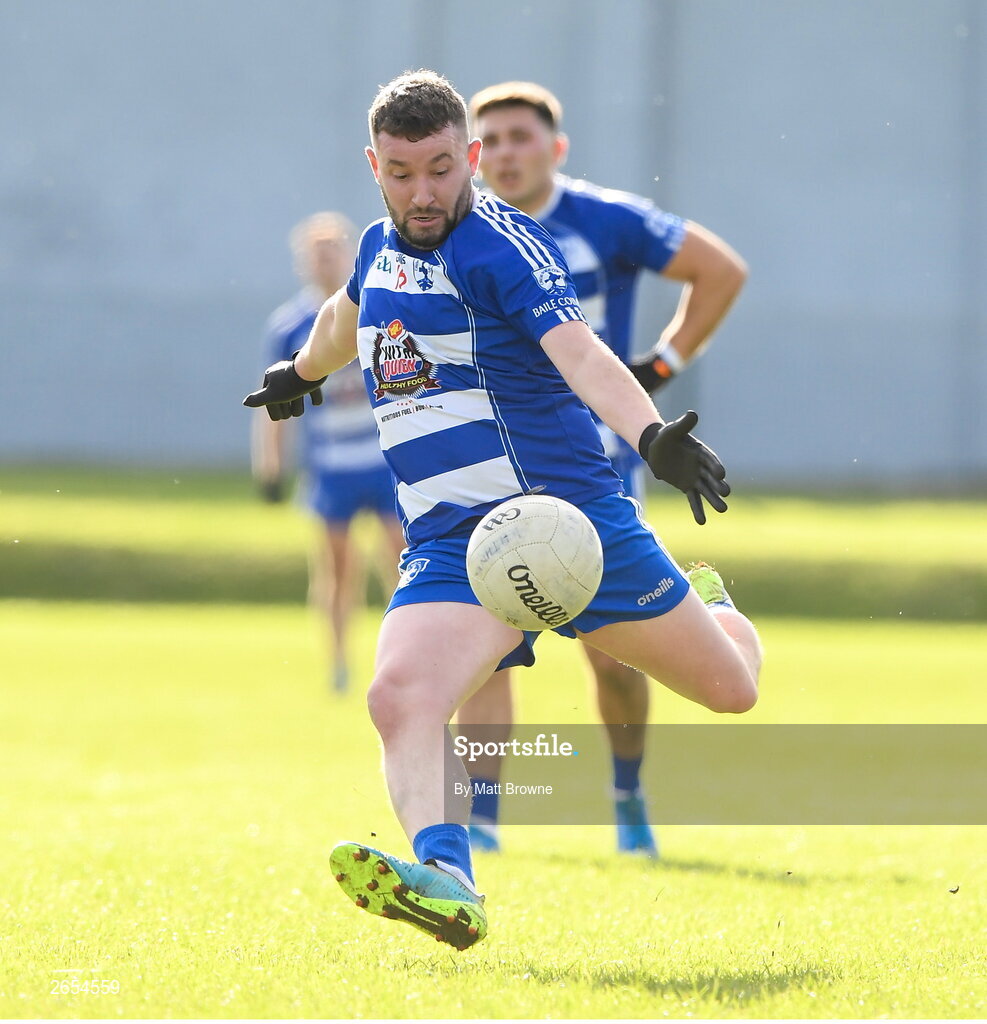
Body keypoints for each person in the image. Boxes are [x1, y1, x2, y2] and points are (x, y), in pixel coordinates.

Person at [244, 70, 761, 951]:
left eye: (442, 169)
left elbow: (584, 356)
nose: (423, 192)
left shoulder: (501, 248)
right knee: (400, 695)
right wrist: (302, 372)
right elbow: (345, 312)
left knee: (730, 691)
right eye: (402, 173)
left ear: (470, 158)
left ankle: (708, 601)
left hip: (569, 525)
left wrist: (649, 440)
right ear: (374, 165)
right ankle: (448, 876)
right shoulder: (378, 245)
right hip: (452, 544)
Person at [456, 82, 749, 857]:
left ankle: (625, 801)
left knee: (611, 658)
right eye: (493, 139)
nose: (508, 152)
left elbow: (720, 270)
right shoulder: (453, 229)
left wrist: (661, 365)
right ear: (474, 154)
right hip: (489, 470)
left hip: (594, 471)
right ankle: (480, 825)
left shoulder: (605, 221)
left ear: (556, 149)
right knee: (482, 643)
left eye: (524, 137)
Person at [251, 211, 405, 693]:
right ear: (302, 262)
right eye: (315, 252)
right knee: (337, 569)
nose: (325, 259)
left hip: (384, 459)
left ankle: (400, 658)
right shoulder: (290, 325)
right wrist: (271, 468)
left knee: (401, 561)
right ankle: (339, 662)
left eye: (334, 248)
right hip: (331, 467)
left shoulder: (377, 304)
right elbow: (271, 402)